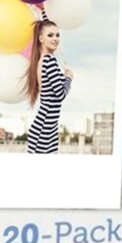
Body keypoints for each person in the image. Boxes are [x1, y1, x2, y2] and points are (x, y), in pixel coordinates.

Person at [25, 18, 74, 153]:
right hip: (44, 129)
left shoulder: (43, 60)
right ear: (41, 38)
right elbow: (60, 94)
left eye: (57, 35)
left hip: (48, 128)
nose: (55, 39)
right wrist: (69, 78)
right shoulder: (49, 61)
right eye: (50, 35)